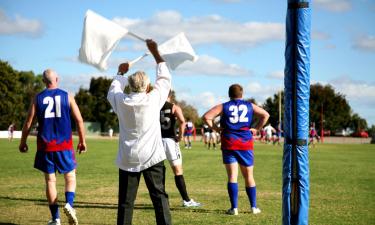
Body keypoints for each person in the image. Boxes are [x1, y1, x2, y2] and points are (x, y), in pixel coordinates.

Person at [107, 39, 172, 225]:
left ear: (130, 85)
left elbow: (113, 89)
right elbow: (165, 79)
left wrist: (120, 72)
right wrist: (155, 52)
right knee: (159, 198)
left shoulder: (121, 100)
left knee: (126, 203)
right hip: (152, 156)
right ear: (147, 87)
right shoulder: (153, 98)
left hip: (128, 157)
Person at [19, 69, 87, 225]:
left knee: (50, 181)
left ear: (44, 81)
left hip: (45, 147)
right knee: (70, 177)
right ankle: (69, 204)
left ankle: (56, 218)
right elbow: (79, 120)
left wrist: (23, 142)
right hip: (64, 146)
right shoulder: (67, 96)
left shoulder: (38, 98)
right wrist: (82, 141)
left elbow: (28, 123)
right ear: (57, 79)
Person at [203, 84, 269, 216]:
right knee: (249, 176)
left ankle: (234, 208)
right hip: (245, 143)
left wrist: (216, 128)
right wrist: (256, 128)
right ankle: (254, 207)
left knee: (232, 176)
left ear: (229, 94)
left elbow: (206, 117)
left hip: (229, 142)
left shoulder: (224, 106)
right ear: (242, 94)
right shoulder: (249, 105)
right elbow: (265, 115)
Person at [160, 91, 201, 207]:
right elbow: (182, 121)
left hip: (157, 141)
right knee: (178, 171)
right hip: (170, 141)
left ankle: (161, 200)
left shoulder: (155, 106)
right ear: (170, 95)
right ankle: (186, 200)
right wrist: (180, 136)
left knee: (159, 170)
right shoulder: (174, 107)